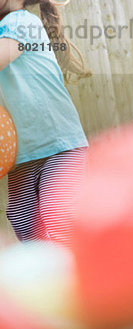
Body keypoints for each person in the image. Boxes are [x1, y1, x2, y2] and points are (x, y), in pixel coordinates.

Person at [0, 0, 90, 244]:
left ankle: (85, 273)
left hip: (59, 144)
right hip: (20, 156)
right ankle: (49, 276)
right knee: (24, 223)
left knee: (57, 213)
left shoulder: (20, 22)